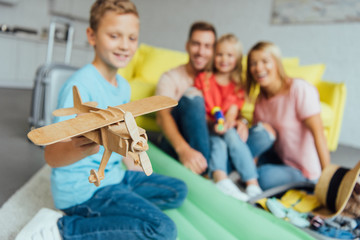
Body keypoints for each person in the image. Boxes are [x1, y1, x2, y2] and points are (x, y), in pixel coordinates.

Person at [16, 1, 187, 239]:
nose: (124, 46)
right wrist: (80, 146)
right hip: (84, 190)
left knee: (178, 190)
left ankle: (117, 210)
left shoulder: (124, 86)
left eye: (131, 38)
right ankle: (61, 228)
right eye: (115, 36)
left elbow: (126, 138)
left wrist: (135, 161)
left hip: (116, 177)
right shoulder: (79, 85)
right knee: (163, 229)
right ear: (92, 36)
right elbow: (51, 156)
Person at [246, 41, 330, 190]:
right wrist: (248, 174)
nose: (258, 68)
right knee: (244, 156)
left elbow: (319, 134)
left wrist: (328, 178)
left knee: (263, 177)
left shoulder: (298, 89)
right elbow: (258, 141)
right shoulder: (260, 100)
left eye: (265, 61)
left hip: (303, 170)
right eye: (253, 63)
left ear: (277, 63)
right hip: (279, 159)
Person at [194, 34, 262, 200]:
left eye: (230, 55)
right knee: (217, 141)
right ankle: (220, 179)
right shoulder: (204, 79)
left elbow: (232, 111)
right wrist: (214, 123)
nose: (224, 59)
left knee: (231, 136)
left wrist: (226, 124)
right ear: (213, 56)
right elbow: (198, 109)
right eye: (220, 54)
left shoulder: (238, 85)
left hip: (226, 126)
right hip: (208, 126)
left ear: (237, 59)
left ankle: (252, 184)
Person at [156, 21, 216, 175]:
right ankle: (206, 174)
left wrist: (241, 122)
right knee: (193, 97)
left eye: (207, 46)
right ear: (187, 45)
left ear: (214, 50)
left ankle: (211, 170)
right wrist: (184, 150)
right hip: (177, 145)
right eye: (196, 44)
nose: (201, 52)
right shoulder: (171, 77)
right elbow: (162, 117)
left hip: (208, 144)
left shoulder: (217, 81)